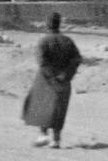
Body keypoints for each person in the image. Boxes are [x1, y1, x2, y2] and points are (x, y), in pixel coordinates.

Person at [21, 12, 82, 148]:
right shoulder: (68, 41)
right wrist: (66, 75)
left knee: (43, 106)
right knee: (59, 109)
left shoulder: (43, 41)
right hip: (64, 80)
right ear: (59, 24)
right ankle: (56, 139)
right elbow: (77, 59)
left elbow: (42, 62)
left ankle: (43, 135)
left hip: (46, 80)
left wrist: (52, 76)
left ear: (47, 24)